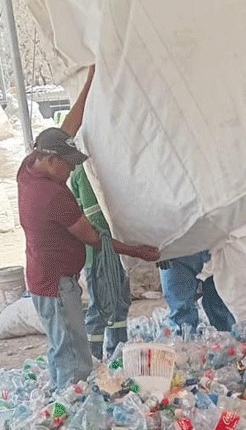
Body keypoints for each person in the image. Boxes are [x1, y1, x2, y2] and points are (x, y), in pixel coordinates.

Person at [18, 127, 159, 391]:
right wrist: (138, 251)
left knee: (61, 349)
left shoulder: (27, 171)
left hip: (41, 278)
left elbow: (63, 129)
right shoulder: (54, 196)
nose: (73, 169)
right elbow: (94, 239)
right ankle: (72, 407)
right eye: (68, 163)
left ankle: (58, 403)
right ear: (51, 161)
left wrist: (85, 97)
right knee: (75, 359)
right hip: (57, 284)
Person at [70, 165, 131, 360]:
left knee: (119, 305)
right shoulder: (85, 172)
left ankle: (117, 353)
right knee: (101, 309)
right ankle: (92, 358)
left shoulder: (100, 167)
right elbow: (96, 221)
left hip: (114, 252)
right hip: (100, 256)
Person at [160, 252, 235, 333]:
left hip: (215, 250)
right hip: (175, 254)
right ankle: (185, 339)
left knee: (221, 307)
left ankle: (226, 337)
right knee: (181, 316)